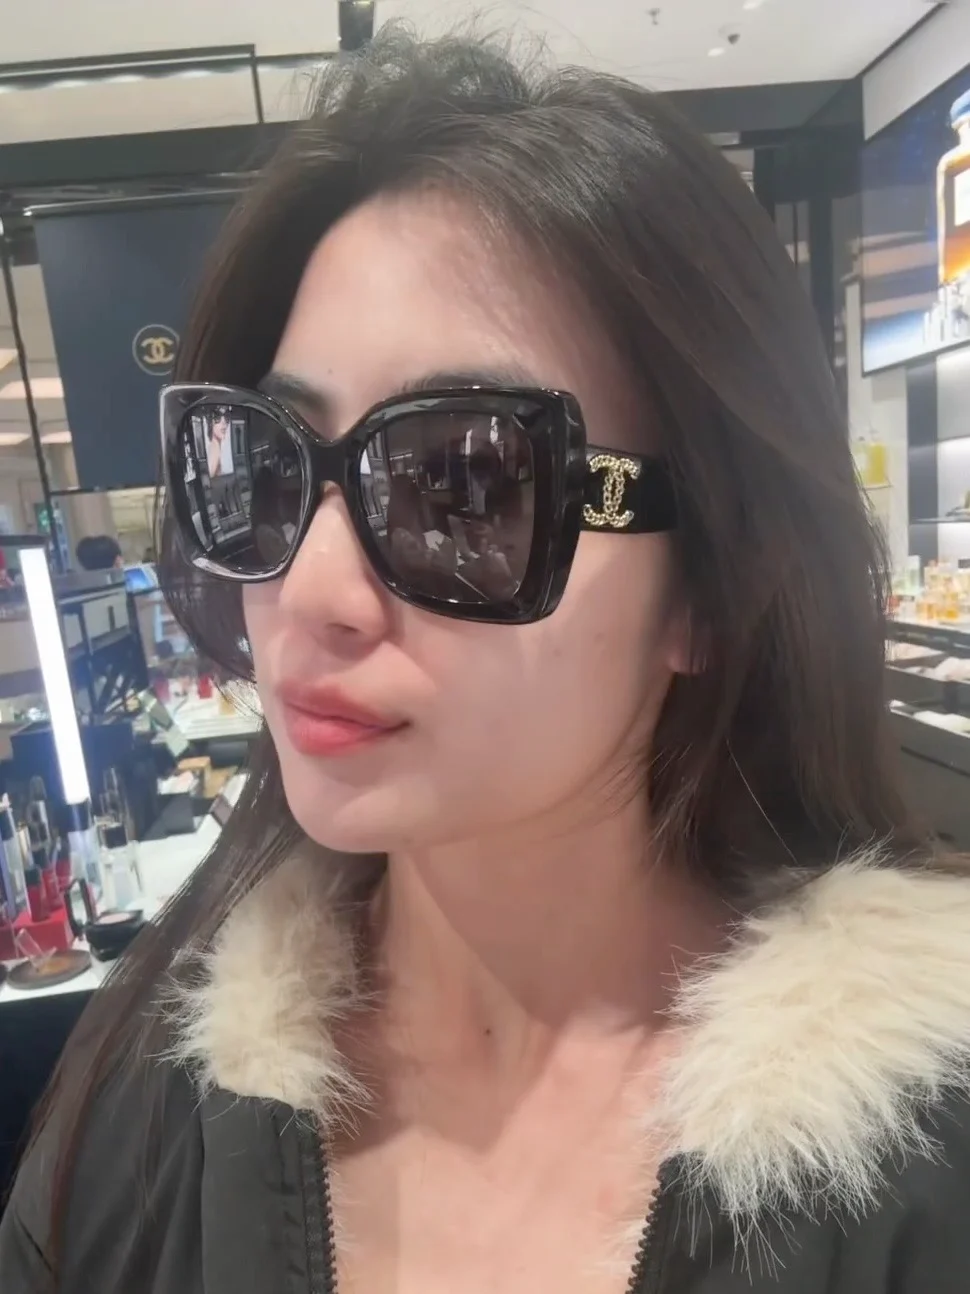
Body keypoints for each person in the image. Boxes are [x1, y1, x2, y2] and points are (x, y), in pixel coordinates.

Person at [3, 29, 970, 1294]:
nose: (309, 591)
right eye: (269, 463)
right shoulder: (144, 1112)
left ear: (714, 588)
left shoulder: (916, 1181)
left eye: (462, 484)